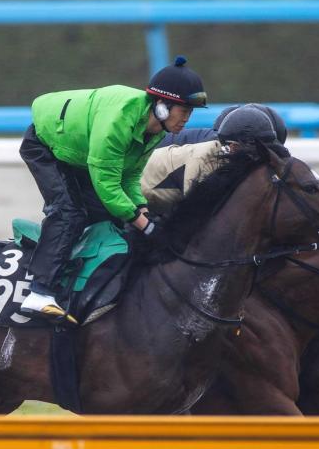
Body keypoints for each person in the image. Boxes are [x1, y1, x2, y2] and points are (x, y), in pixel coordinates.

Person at [18, 56, 207, 323]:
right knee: (70, 212)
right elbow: (108, 185)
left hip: (82, 153)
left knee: (108, 215)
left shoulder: (156, 132)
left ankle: (75, 278)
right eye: (184, 111)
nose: (186, 119)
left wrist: (142, 209)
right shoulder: (117, 123)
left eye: (190, 113)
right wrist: (145, 225)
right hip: (45, 145)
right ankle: (39, 291)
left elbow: (130, 176)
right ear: (162, 107)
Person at [141, 103, 287, 211]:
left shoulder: (225, 147)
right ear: (234, 146)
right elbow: (195, 213)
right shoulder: (206, 157)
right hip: (132, 192)